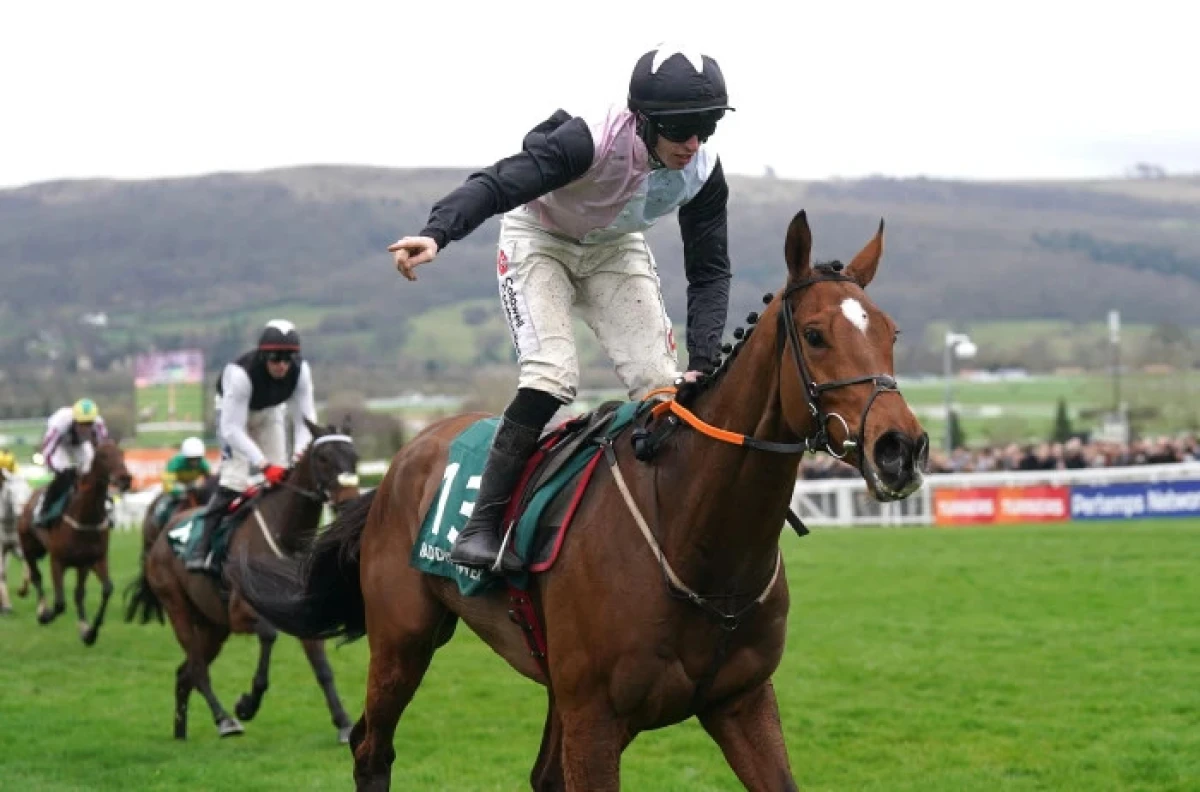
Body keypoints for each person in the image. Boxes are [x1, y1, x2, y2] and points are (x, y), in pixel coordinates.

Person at [388, 44, 734, 571]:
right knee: (552, 375)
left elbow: (709, 271)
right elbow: (497, 183)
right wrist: (438, 234)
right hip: (539, 240)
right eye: (682, 128)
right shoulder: (585, 141)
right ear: (644, 120)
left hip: (614, 250)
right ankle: (483, 525)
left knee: (661, 386)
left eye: (706, 127)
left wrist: (704, 359)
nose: (693, 143)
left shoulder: (704, 172)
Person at [186, 320, 317, 571]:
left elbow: (306, 422)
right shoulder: (240, 375)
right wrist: (263, 464)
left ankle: (282, 540)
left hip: (269, 413)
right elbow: (232, 429)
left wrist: (298, 455)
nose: (282, 365)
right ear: (263, 355)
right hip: (233, 415)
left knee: (284, 477)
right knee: (234, 479)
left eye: (288, 358)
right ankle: (201, 548)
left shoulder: (302, 372)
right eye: (275, 358)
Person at [34, 398, 108, 526]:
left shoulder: (98, 424)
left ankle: (104, 508)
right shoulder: (61, 422)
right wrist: (55, 469)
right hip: (61, 445)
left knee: (91, 474)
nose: (85, 428)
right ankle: (43, 508)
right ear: (74, 420)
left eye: (89, 424)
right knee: (65, 474)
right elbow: (48, 449)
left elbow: (103, 449)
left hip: (80, 445)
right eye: (82, 423)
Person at [154, 436, 212, 529]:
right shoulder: (175, 462)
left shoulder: (203, 463)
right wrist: (178, 491)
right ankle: (160, 524)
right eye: (191, 459)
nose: (194, 462)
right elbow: (167, 484)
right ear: (185, 457)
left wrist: (202, 487)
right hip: (177, 486)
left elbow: (210, 480)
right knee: (163, 506)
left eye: (197, 459)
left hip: (193, 486)